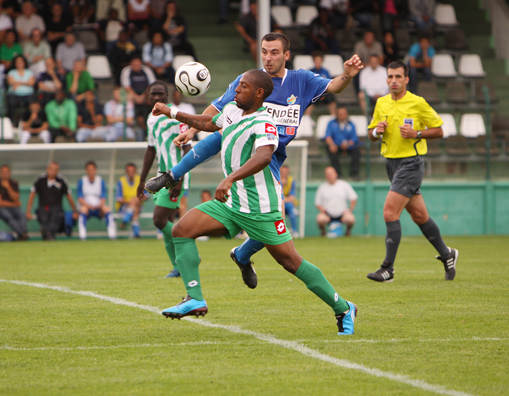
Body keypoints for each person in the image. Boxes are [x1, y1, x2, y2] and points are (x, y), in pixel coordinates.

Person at [144, 32, 364, 289]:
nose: (268, 58)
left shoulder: (301, 81)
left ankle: (242, 254)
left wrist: (347, 73)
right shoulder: (247, 81)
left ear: (286, 55)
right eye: (264, 52)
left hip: (267, 157)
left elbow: (335, 85)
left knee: (273, 227)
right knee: (223, 133)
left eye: (274, 52)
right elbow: (215, 111)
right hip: (243, 149)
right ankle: (172, 175)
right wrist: (191, 130)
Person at [152, 69, 357, 335]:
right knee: (181, 230)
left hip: (261, 207)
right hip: (232, 202)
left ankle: (342, 307)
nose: (236, 90)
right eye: (237, 86)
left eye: (243, 87)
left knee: (291, 262)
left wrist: (229, 179)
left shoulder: (265, 122)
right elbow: (206, 123)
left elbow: (262, 157)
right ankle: (195, 298)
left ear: (259, 93)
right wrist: (171, 112)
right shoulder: (232, 112)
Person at [367, 60, 458, 282]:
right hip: (391, 164)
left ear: (406, 79)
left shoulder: (417, 102)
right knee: (419, 216)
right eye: (390, 77)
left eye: (398, 77)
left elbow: (439, 130)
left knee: (390, 212)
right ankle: (447, 254)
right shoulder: (381, 103)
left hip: (411, 163)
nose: (394, 81)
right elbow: (370, 134)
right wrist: (377, 131)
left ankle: (388, 268)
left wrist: (417, 133)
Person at [137, 81, 192, 278]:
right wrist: (142, 180)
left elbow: (187, 148)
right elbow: (150, 150)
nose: (158, 97)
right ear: (149, 95)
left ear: (167, 95)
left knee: (159, 220)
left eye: (161, 94)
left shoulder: (177, 116)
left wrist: (180, 179)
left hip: (176, 175)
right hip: (160, 177)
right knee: (167, 221)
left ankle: (189, 245)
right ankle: (177, 267)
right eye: (154, 94)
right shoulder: (151, 119)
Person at [26, 161, 78, 240]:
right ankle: (48, 234)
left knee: (55, 220)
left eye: (55, 169)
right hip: (43, 207)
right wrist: (28, 211)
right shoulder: (40, 179)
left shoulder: (61, 180)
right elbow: (32, 195)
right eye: (51, 169)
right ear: (47, 169)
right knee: (43, 218)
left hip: (56, 207)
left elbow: (69, 196)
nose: (53, 171)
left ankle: (48, 233)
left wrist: (75, 211)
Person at [76, 161, 117, 241]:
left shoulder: (100, 181)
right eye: (89, 169)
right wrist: (88, 205)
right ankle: (82, 236)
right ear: (86, 171)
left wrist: (99, 205)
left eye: (92, 169)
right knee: (83, 210)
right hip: (86, 206)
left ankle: (112, 235)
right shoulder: (82, 181)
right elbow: (80, 198)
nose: (91, 171)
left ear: (95, 170)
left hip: (98, 206)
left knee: (107, 209)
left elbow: (103, 197)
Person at [315, 166, 357, 237]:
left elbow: (353, 197)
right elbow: (318, 203)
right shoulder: (322, 187)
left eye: (331, 173)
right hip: (327, 214)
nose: (329, 176)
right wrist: (323, 211)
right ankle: (323, 232)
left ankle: (348, 232)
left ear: (336, 174)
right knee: (320, 219)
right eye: (327, 174)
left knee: (350, 219)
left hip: (342, 214)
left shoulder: (344, 185)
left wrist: (350, 209)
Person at [121, 55, 156, 130]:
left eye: (137, 63)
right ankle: (131, 121)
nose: (136, 65)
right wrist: (136, 97)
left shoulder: (147, 70)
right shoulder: (126, 71)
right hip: (133, 94)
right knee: (128, 98)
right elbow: (126, 86)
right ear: (131, 63)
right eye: (134, 63)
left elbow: (152, 85)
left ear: (140, 63)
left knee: (152, 98)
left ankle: (152, 120)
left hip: (145, 93)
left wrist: (143, 96)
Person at [324, 107, 360, 179]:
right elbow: (328, 136)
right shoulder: (331, 123)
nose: (341, 115)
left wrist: (349, 143)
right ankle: (338, 174)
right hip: (336, 145)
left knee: (356, 150)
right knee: (331, 150)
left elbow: (354, 137)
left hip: (348, 146)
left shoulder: (351, 124)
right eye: (339, 114)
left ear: (346, 114)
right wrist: (331, 144)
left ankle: (354, 174)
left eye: (343, 114)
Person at [0, 165, 28, 240]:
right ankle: (22, 234)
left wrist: (8, 187)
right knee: (8, 216)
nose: (5, 174)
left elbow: (16, 199)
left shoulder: (14, 183)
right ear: (0, 173)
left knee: (22, 215)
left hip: (13, 207)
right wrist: (14, 204)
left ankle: (22, 234)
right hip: (0, 209)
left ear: (10, 173)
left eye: (7, 172)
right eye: (3, 172)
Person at [116, 162, 144, 238]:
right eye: (129, 171)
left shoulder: (140, 179)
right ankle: (137, 235)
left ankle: (125, 221)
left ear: (135, 171)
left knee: (136, 201)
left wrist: (136, 200)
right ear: (126, 172)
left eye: (132, 171)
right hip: (123, 207)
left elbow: (146, 195)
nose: (131, 172)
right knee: (135, 207)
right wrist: (131, 201)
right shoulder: (121, 181)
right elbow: (119, 199)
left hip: (138, 205)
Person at [306, 51, 336, 118]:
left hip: (325, 93)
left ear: (322, 61)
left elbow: (329, 84)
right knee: (308, 101)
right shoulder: (310, 72)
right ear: (314, 61)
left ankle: (333, 118)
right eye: (316, 61)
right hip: (314, 94)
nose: (318, 63)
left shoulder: (326, 72)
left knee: (332, 100)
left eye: (319, 61)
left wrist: (323, 94)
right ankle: (307, 119)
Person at [6, 55, 35, 122]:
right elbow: (10, 82)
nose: (19, 63)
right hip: (14, 94)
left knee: (31, 104)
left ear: (24, 62)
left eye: (21, 61)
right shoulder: (11, 72)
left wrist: (17, 83)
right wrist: (25, 82)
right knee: (11, 104)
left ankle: (28, 122)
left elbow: (31, 83)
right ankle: (11, 122)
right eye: (17, 62)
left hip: (28, 94)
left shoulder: (29, 72)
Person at [280, 165, 299, 237]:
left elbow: (292, 197)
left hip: (286, 204)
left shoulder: (291, 180)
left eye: (286, 172)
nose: (284, 173)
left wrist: (284, 199)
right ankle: (281, 231)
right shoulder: (276, 179)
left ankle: (294, 231)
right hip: (277, 204)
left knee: (291, 207)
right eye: (282, 172)